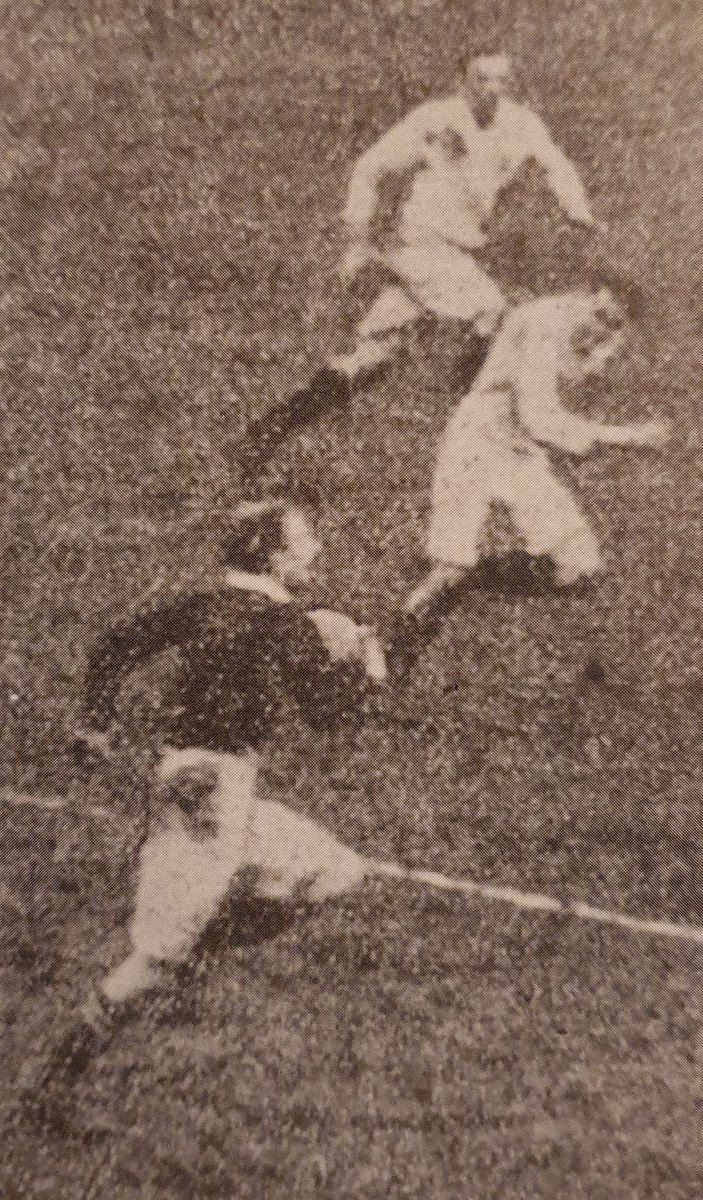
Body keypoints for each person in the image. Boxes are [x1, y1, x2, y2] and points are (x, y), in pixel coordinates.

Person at [22, 497, 388, 1114]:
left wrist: (94, 723)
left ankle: (193, 946)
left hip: (196, 780)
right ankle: (47, 1085)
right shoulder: (285, 621)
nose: (316, 550)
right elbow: (329, 716)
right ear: (273, 555)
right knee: (151, 965)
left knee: (336, 871)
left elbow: (115, 644)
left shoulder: (204, 601)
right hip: (213, 796)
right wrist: (366, 666)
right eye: (305, 540)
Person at [229, 51, 604, 475]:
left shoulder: (521, 125)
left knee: (371, 360)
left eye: (501, 81)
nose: (491, 90)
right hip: (421, 247)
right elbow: (369, 169)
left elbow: (557, 166)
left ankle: (265, 435)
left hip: (453, 256)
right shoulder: (434, 121)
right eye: (481, 79)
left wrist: (580, 213)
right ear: (461, 80)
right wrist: (355, 240)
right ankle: (475, 439)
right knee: (492, 310)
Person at [400, 283, 669, 618]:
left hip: (519, 452)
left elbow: (583, 370)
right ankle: (393, 631)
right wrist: (629, 438)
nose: (602, 330)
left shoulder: (589, 330)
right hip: (476, 440)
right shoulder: (542, 323)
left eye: (613, 325)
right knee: (448, 568)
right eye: (600, 316)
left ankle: (476, 585)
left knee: (580, 563)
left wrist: (598, 351)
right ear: (583, 296)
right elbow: (539, 419)